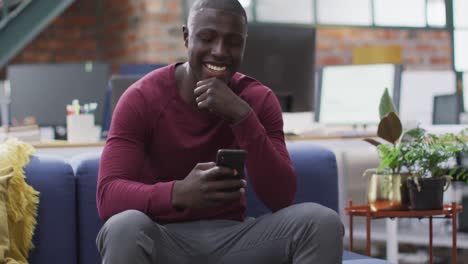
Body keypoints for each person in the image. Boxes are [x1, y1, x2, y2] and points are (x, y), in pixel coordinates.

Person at [96, 0, 343, 263]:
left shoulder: (257, 100)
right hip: (164, 238)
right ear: (186, 37)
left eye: (233, 42)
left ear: (244, 45)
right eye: (207, 37)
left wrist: (243, 116)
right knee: (124, 226)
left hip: (235, 240)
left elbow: (281, 197)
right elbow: (108, 196)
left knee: (322, 221)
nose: (220, 51)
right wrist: (177, 193)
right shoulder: (141, 99)